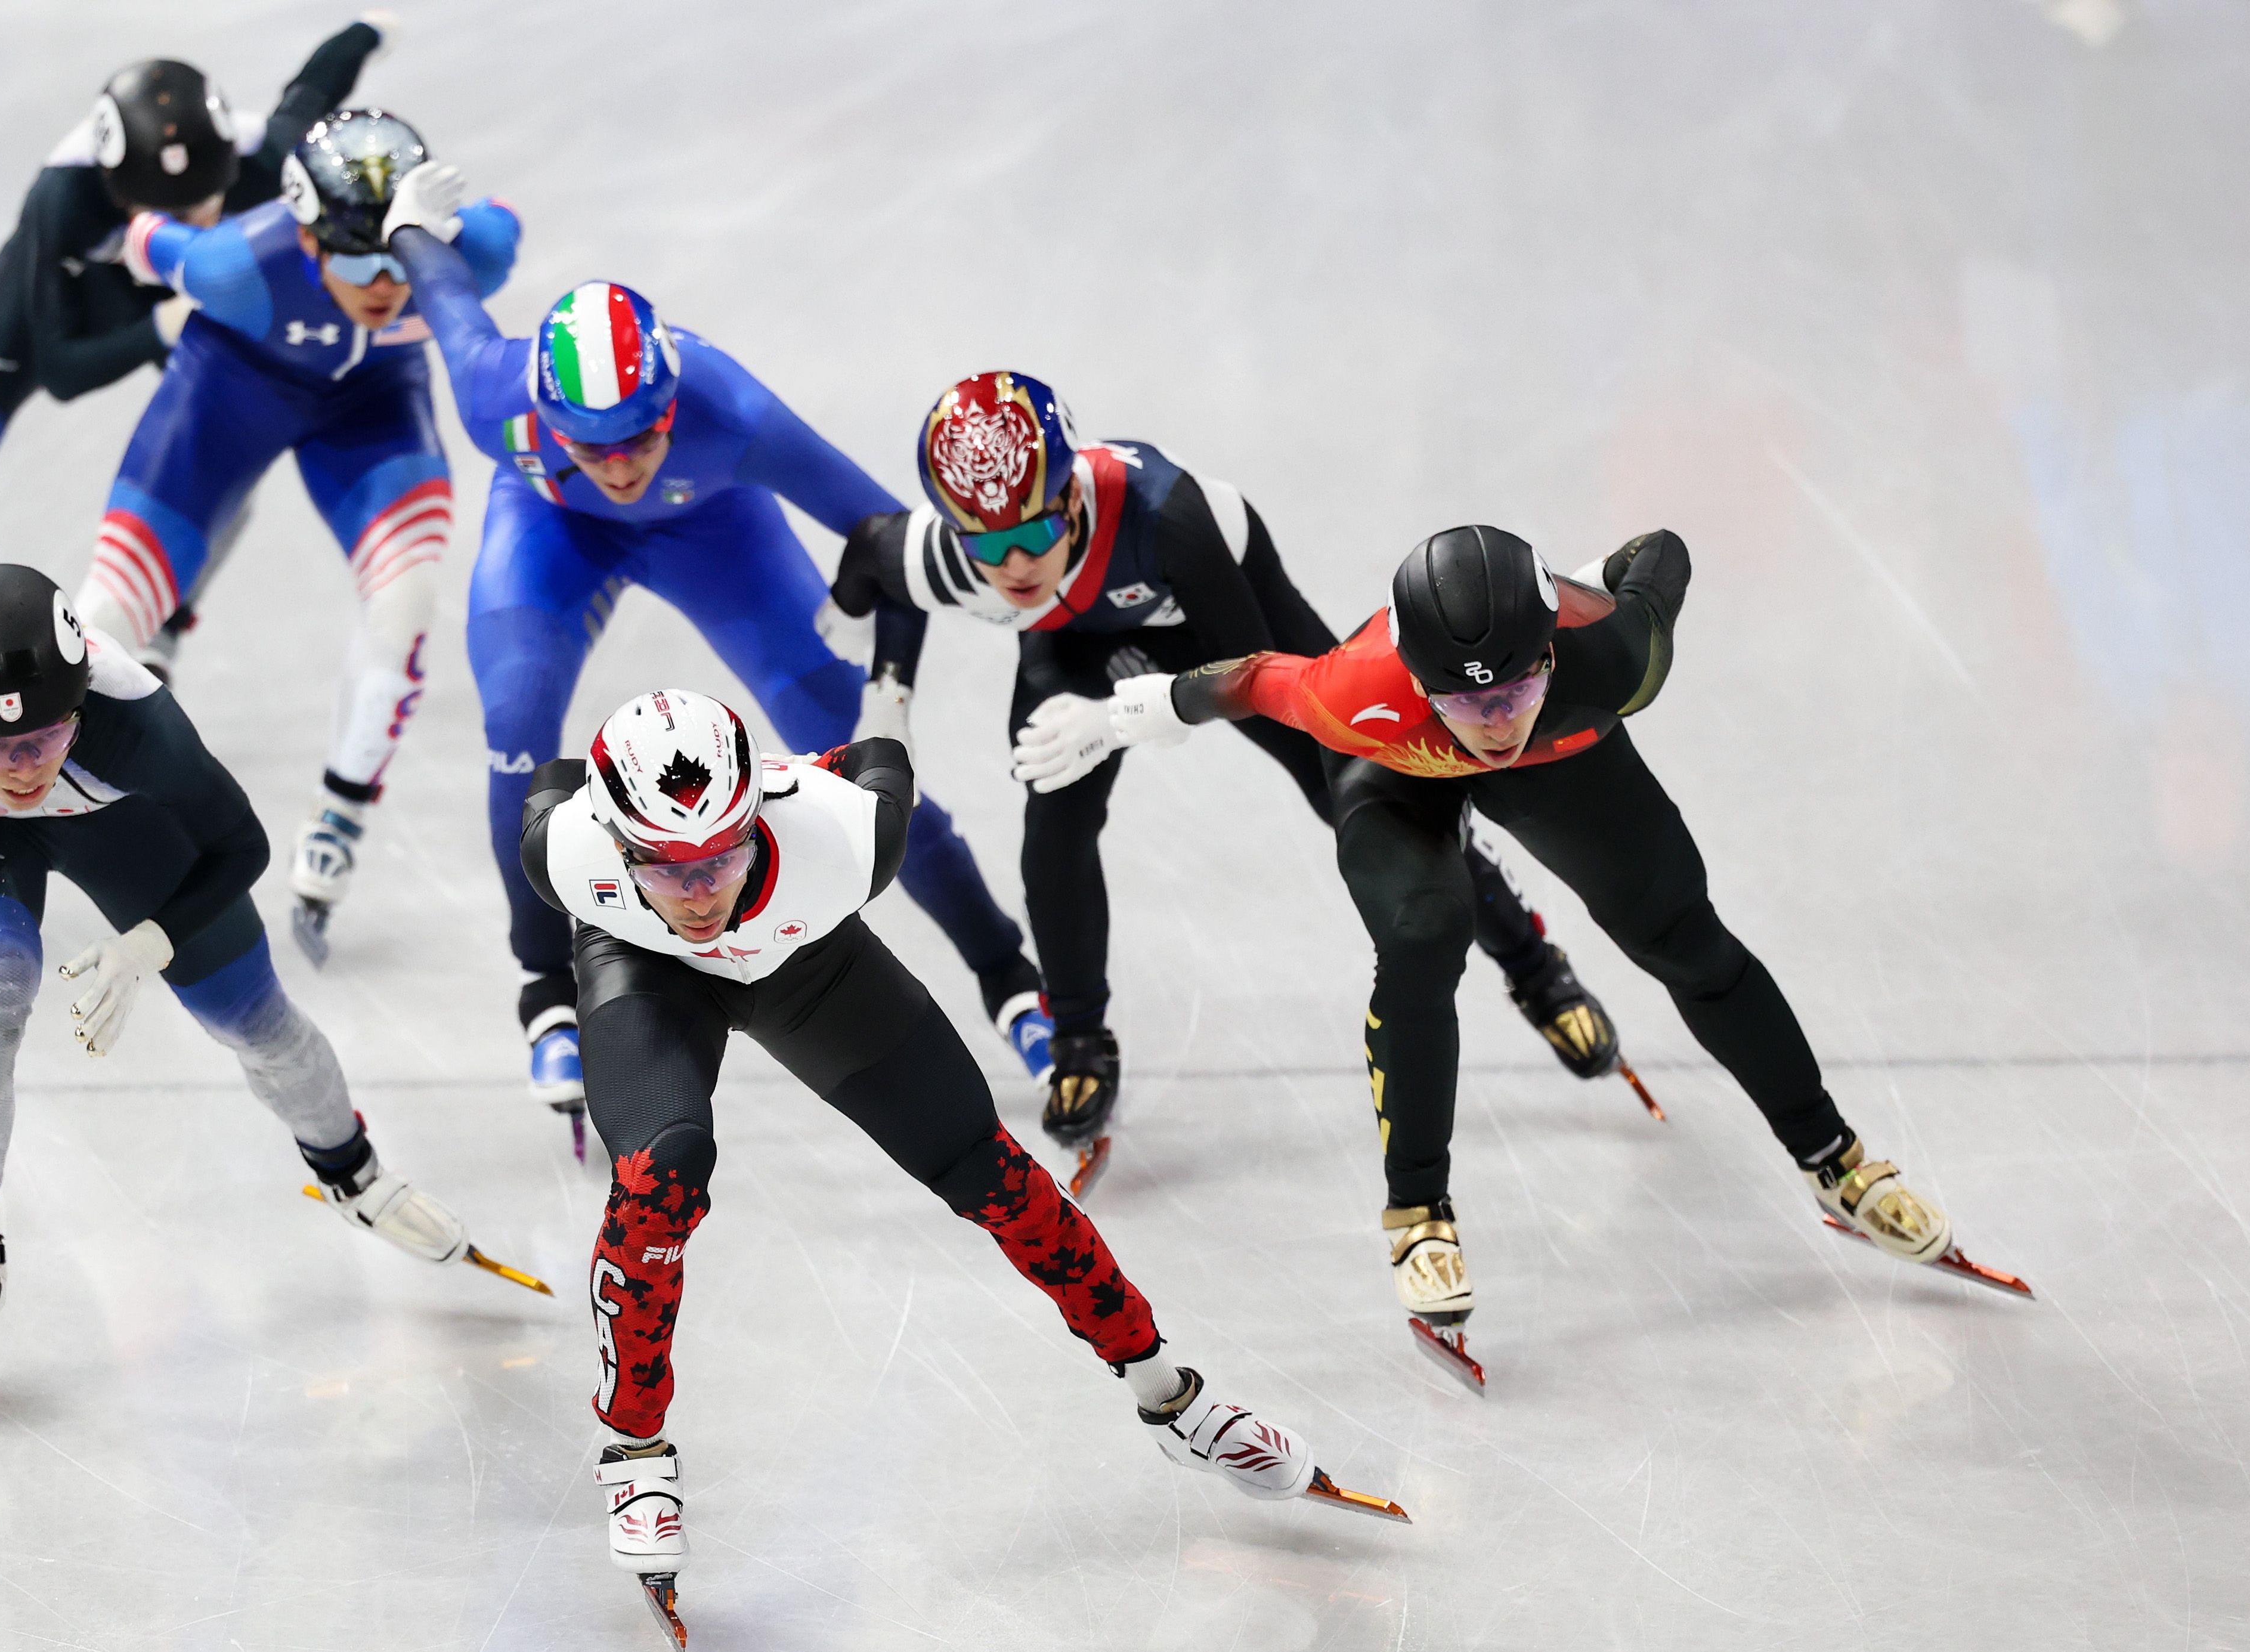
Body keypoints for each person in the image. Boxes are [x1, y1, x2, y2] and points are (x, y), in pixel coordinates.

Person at [521, 689, 1407, 1638]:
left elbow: (875, 753)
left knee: (991, 1172)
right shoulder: (564, 850)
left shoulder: (849, 837)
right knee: (662, 1174)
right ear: (615, 847)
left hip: (806, 964)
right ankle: (636, 1449)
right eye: (668, 868)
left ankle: (1170, 1393)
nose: (701, 894)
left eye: (725, 858)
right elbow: (553, 783)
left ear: (759, 821)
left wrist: (831, 745)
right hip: (643, 970)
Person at [1087, 525, 2020, 1384]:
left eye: (1515, 687)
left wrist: (1598, 585)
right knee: (1422, 934)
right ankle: (1418, 1214)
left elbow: (1663, 552)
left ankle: (1838, 1161)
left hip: (1565, 756)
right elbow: (1256, 678)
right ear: (1417, 675)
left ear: (1549, 653)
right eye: (1466, 695)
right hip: (1397, 767)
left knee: (1687, 942)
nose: (1494, 721)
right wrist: (1159, 703)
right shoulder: (1356, 690)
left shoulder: (1616, 655)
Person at [374, 165, 1054, 1141]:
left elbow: (884, 537)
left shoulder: (729, 410)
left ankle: (1005, 975)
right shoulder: (497, 400)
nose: (615, 466)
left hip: (713, 530)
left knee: (839, 736)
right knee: (516, 715)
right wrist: (410, 228)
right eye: (590, 447)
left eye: (639, 440)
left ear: (670, 402)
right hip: (551, 530)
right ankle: (544, 992)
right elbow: (445, 300)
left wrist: (893, 686)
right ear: (547, 422)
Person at [829, 371, 1638, 1189]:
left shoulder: (1169, 516)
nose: (1012, 566)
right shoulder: (955, 556)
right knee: (1054, 824)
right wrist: (887, 693)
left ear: (1071, 497)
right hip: (1077, 646)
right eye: (985, 545)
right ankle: (1079, 1037)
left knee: (1368, 787)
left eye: (1032, 534)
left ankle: (1536, 967)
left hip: (1231, 623)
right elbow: (869, 558)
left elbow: (1255, 677)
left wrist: (1114, 714)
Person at [0, 524, 543, 1408]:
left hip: (119, 825)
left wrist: (150, 940)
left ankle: (353, 1172)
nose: (25, 768)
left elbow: (243, 844)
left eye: (44, 737)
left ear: (82, 704)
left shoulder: (137, 722)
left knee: (256, 1020)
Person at [0, 21, 392, 754]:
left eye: (210, 200)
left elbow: (315, 87)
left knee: (221, 469)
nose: (201, 219)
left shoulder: (261, 153)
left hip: (180, 295)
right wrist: (165, 326)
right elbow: (61, 369)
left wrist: (369, 30)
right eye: (172, 213)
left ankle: (163, 630)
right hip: (70, 308)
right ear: (116, 191)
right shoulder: (63, 196)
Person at [83, 111, 519, 963]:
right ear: (308, 240)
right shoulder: (236, 264)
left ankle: (341, 814)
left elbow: (504, 225)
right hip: (226, 394)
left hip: (373, 407)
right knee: (99, 624)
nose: (386, 281)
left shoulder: (474, 254)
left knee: (407, 605)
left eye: (400, 252)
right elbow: (143, 237)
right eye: (356, 257)